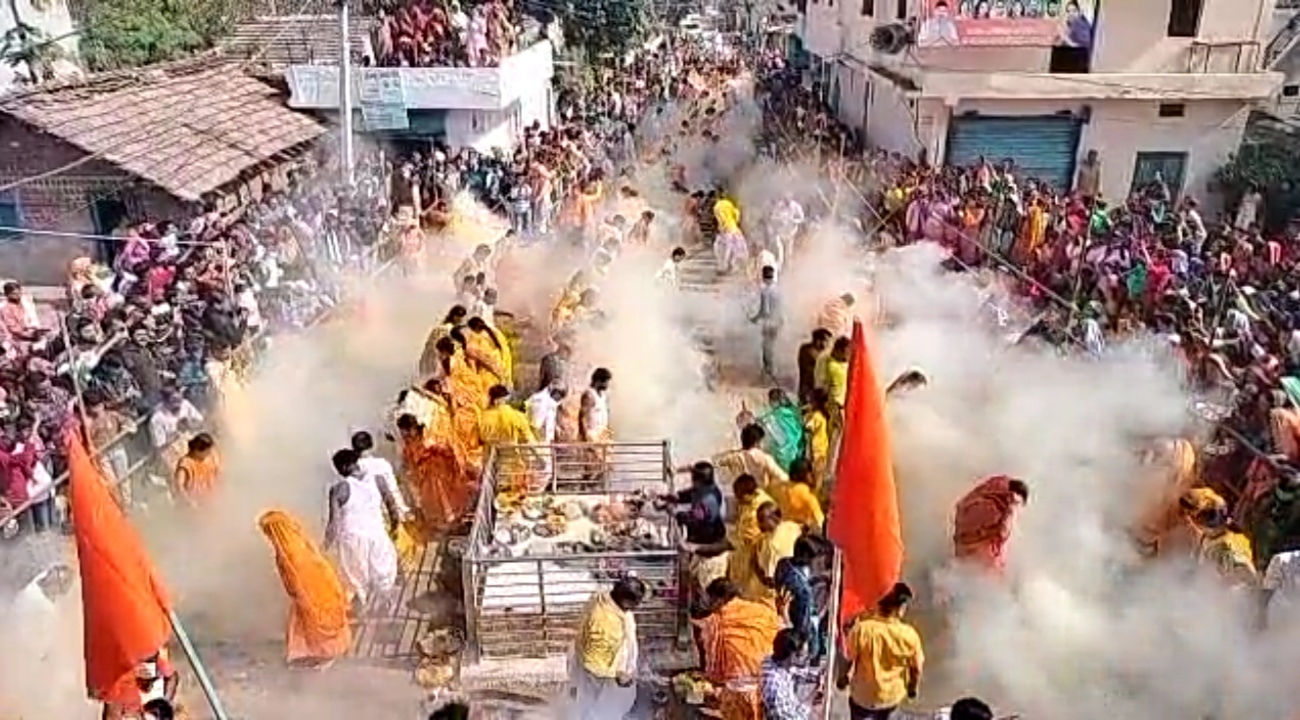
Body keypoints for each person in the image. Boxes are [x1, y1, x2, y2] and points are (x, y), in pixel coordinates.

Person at [258, 509, 354, 667]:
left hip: (312, 594)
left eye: (268, 532)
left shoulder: (288, 551)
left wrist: (300, 598)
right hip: (326, 587)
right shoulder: (300, 540)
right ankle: (319, 654)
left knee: (305, 623)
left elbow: (294, 580)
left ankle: (317, 655)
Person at [693, 578, 783, 720]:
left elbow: (715, 672)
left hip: (740, 691)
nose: (709, 605)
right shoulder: (764, 610)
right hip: (770, 683)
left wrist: (709, 684)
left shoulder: (716, 622)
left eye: (711, 601)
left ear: (719, 600)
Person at [325, 448, 400, 614]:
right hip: (376, 535)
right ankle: (385, 607)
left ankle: (360, 613)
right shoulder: (378, 480)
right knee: (383, 576)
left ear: (344, 467)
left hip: (351, 540)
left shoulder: (338, 489)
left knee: (355, 582)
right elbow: (392, 507)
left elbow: (333, 525)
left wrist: (324, 548)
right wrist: (394, 527)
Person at [837, 583, 924, 720]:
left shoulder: (862, 629)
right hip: (891, 697)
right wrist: (912, 689)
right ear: (900, 609)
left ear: (879, 604)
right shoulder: (910, 636)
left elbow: (848, 659)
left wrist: (842, 679)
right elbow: (916, 669)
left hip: (863, 697)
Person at [569, 577, 646, 720]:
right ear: (625, 601)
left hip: (587, 657)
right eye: (636, 603)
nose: (637, 606)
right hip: (597, 671)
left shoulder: (601, 597)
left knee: (587, 696)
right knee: (594, 703)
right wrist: (621, 674)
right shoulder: (607, 625)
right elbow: (597, 663)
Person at [352, 430, 421, 577]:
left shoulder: (354, 470)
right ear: (371, 445)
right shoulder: (382, 464)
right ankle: (399, 574)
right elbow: (393, 489)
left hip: (368, 516)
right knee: (395, 544)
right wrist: (403, 510)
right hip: (387, 511)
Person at [396, 412, 470, 536]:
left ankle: (453, 526)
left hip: (438, 474)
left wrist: (433, 449)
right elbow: (410, 462)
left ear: (412, 428)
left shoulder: (427, 438)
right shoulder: (409, 443)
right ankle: (447, 526)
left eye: (405, 431)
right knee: (437, 504)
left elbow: (446, 450)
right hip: (427, 478)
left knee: (445, 501)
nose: (404, 435)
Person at [952, 475, 1029, 573]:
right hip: (982, 558)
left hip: (962, 547)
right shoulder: (1006, 506)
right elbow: (1003, 533)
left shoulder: (984, 492)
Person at [479, 384, 541, 493]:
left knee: (493, 496)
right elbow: (530, 441)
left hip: (491, 466)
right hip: (512, 466)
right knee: (514, 496)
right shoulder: (517, 416)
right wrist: (539, 458)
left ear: (493, 399)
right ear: (506, 399)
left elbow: (481, 438)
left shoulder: (483, 418)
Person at [774, 537, 825, 661]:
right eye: (818, 558)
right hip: (797, 638)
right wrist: (808, 645)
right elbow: (804, 623)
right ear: (808, 558)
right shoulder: (802, 591)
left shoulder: (784, 564)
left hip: (788, 630)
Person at [760, 629, 819, 720]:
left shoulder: (779, 662)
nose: (807, 659)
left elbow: (797, 672)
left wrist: (817, 676)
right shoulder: (773, 685)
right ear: (791, 656)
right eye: (803, 655)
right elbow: (795, 718)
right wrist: (812, 698)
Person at [757, 388, 803, 472]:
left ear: (775, 401)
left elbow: (764, 421)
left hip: (785, 451)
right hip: (797, 449)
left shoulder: (777, 414)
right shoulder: (793, 411)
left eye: (771, 400)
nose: (770, 403)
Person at [579, 368, 614, 479]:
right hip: (592, 435)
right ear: (598, 381)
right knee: (592, 467)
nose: (607, 385)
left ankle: (600, 486)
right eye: (606, 382)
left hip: (602, 434)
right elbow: (582, 417)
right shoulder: (589, 395)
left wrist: (608, 432)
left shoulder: (603, 395)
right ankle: (587, 487)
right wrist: (585, 438)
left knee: (606, 466)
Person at [750, 265, 783, 381]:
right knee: (772, 347)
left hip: (769, 323)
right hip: (778, 321)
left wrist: (755, 318)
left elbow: (765, 311)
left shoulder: (765, 291)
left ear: (763, 276)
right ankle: (771, 371)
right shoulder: (778, 289)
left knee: (767, 348)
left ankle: (769, 373)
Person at [171, 432, 220, 507]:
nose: (210, 453)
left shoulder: (210, 460)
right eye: (208, 451)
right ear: (197, 450)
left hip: (209, 504)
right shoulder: (185, 463)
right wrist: (189, 502)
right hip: (191, 506)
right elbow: (179, 486)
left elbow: (218, 477)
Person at [784, 459, 825, 531]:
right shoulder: (808, 496)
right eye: (811, 473)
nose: (814, 476)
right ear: (806, 475)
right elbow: (821, 523)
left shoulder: (785, 488)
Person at [796, 329, 832, 405]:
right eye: (824, 340)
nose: (825, 344)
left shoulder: (825, 353)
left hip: (819, 390)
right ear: (816, 340)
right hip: (808, 389)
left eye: (827, 341)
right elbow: (810, 369)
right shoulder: (807, 350)